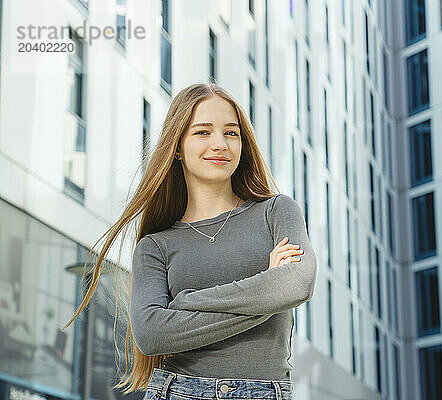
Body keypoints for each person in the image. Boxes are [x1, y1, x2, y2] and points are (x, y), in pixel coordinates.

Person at [62, 83, 317, 400]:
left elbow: (296, 286)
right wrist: (266, 289)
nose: (220, 143)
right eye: (203, 132)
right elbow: (153, 333)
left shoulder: (276, 211)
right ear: (178, 146)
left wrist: (184, 303)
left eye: (231, 133)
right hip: (179, 392)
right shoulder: (155, 246)